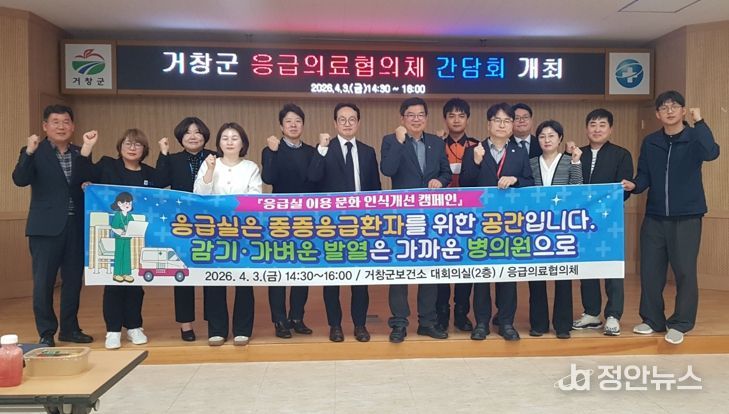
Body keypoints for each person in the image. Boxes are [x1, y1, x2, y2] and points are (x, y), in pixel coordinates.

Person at [622, 90, 720, 345]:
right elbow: (644, 174)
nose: (669, 111)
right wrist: (634, 185)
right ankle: (652, 319)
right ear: (657, 114)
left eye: (674, 106)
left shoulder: (694, 137)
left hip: (687, 215)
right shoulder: (651, 141)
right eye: (664, 107)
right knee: (650, 271)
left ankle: (681, 323)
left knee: (685, 271)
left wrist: (700, 122)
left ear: (683, 111)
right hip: (655, 215)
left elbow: (711, 152)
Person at [12, 105, 93, 347]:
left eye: (66, 121)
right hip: (45, 228)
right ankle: (46, 331)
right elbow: (20, 179)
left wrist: (89, 181)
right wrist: (28, 152)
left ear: (73, 126)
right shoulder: (34, 151)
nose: (61, 126)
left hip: (76, 225)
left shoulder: (80, 152)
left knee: (73, 281)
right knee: (44, 282)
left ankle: (70, 329)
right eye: (55, 122)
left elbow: (88, 179)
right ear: (45, 126)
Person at [75, 128, 156, 349]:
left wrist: (165, 153)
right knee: (113, 284)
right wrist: (87, 147)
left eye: (137, 144)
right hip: (112, 236)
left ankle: (134, 327)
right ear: (120, 147)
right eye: (128, 143)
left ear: (144, 150)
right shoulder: (107, 165)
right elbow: (81, 175)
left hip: (138, 239)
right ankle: (112, 330)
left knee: (135, 284)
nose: (132, 148)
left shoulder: (149, 174)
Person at [460, 102, 534, 341]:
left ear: (512, 125)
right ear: (488, 124)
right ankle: (481, 322)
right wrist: (476, 162)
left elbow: (530, 182)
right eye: (497, 120)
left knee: (507, 275)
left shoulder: (519, 152)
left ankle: (506, 322)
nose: (502, 125)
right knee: (482, 275)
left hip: (510, 223)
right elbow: (465, 185)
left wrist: (515, 180)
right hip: (481, 223)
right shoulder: (474, 150)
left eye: (507, 121)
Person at [380, 97, 452, 343]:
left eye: (421, 114)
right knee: (400, 271)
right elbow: (388, 170)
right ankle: (399, 323)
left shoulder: (436, 142)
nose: (416, 119)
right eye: (411, 115)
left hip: (430, 216)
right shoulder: (391, 141)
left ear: (426, 118)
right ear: (402, 118)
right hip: (402, 216)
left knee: (428, 269)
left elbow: (446, 172)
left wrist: (440, 181)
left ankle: (427, 322)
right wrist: (400, 142)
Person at [309, 103, 381, 343]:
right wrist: (320, 149)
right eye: (342, 119)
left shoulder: (368, 152)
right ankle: (335, 325)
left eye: (352, 119)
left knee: (360, 280)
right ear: (335, 123)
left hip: (361, 225)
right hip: (331, 226)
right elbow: (313, 178)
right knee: (333, 279)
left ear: (358, 123)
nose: (347, 123)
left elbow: (375, 189)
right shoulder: (323, 149)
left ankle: (360, 325)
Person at [194, 122, 262, 346]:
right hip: (213, 231)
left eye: (235, 138)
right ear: (219, 143)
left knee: (244, 281)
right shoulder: (209, 163)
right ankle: (217, 330)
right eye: (225, 138)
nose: (230, 142)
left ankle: (242, 329)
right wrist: (210, 170)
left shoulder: (250, 167)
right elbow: (199, 194)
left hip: (243, 230)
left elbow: (255, 196)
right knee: (215, 280)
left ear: (243, 143)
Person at [572, 109, 634, 336]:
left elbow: (624, 190)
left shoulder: (621, 154)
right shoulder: (577, 154)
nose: (597, 129)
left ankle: (613, 315)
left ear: (610, 129)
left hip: (610, 221)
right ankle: (591, 313)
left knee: (612, 267)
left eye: (602, 125)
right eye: (593, 124)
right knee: (587, 266)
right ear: (586, 128)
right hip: (582, 221)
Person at [155, 117, 216, 342]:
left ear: (205, 136)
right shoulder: (173, 160)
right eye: (188, 132)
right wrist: (163, 154)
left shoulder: (215, 157)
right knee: (182, 274)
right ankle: (186, 324)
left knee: (211, 274)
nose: (193, 136)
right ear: (180, 137)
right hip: (181, 224)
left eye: (197, 132)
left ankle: (214, 322)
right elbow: (158, 182)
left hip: (211, 223)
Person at [261, 103, 318, 339]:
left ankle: (297, 317)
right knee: (279, 270)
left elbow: (315, 180)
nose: (293, 125)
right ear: (281, 126)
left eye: (298, 121)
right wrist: (274, 152)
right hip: (280, 220)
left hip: (305, 219)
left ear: (303, 125)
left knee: (302, 268)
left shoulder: (311, 151)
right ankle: (279, 320)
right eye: (288, 121)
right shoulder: (271, 149)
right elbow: (268, 178)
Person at [527, 120, 582, 339]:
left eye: (551, 136)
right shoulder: (531, 163)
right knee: (536, 277)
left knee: (563, 277)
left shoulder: (570, 161)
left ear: (560, 138)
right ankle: (538, 324)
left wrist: (577, 163)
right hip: (536, 227)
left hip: (562, 228)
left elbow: (577, 189)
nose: (547, 140)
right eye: (542, 136)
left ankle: (562, 324)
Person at [434, 98, 479, 332]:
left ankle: (462, 313)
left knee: (466, 265)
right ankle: (441, 313)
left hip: (469, 215)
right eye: (451, 116)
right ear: (445, 119)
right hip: (440, 215)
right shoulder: (435, 145)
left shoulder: (478, 146)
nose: (456, 120)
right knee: (441, 265)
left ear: (467, 119)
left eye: (461, 115)